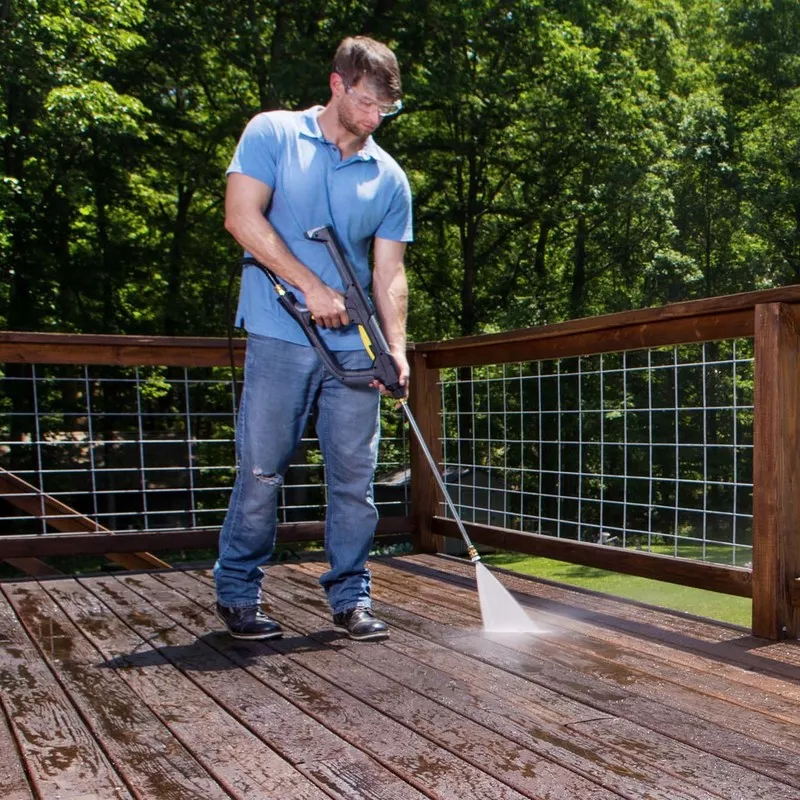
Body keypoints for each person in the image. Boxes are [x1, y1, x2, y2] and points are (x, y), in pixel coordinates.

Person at [213, 36, 413, 642]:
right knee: (263, 469)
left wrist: (397, 348)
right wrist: (308, 288)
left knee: (355, 476)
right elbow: (241, 218)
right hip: (279, 332)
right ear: (336, 83)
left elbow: (389, 272)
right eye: (366, 102)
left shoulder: (389, 178)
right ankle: (238, 595)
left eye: (387, 109)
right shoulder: (273, 134)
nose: (375, 118)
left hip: (354, 344)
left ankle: (351, 598)